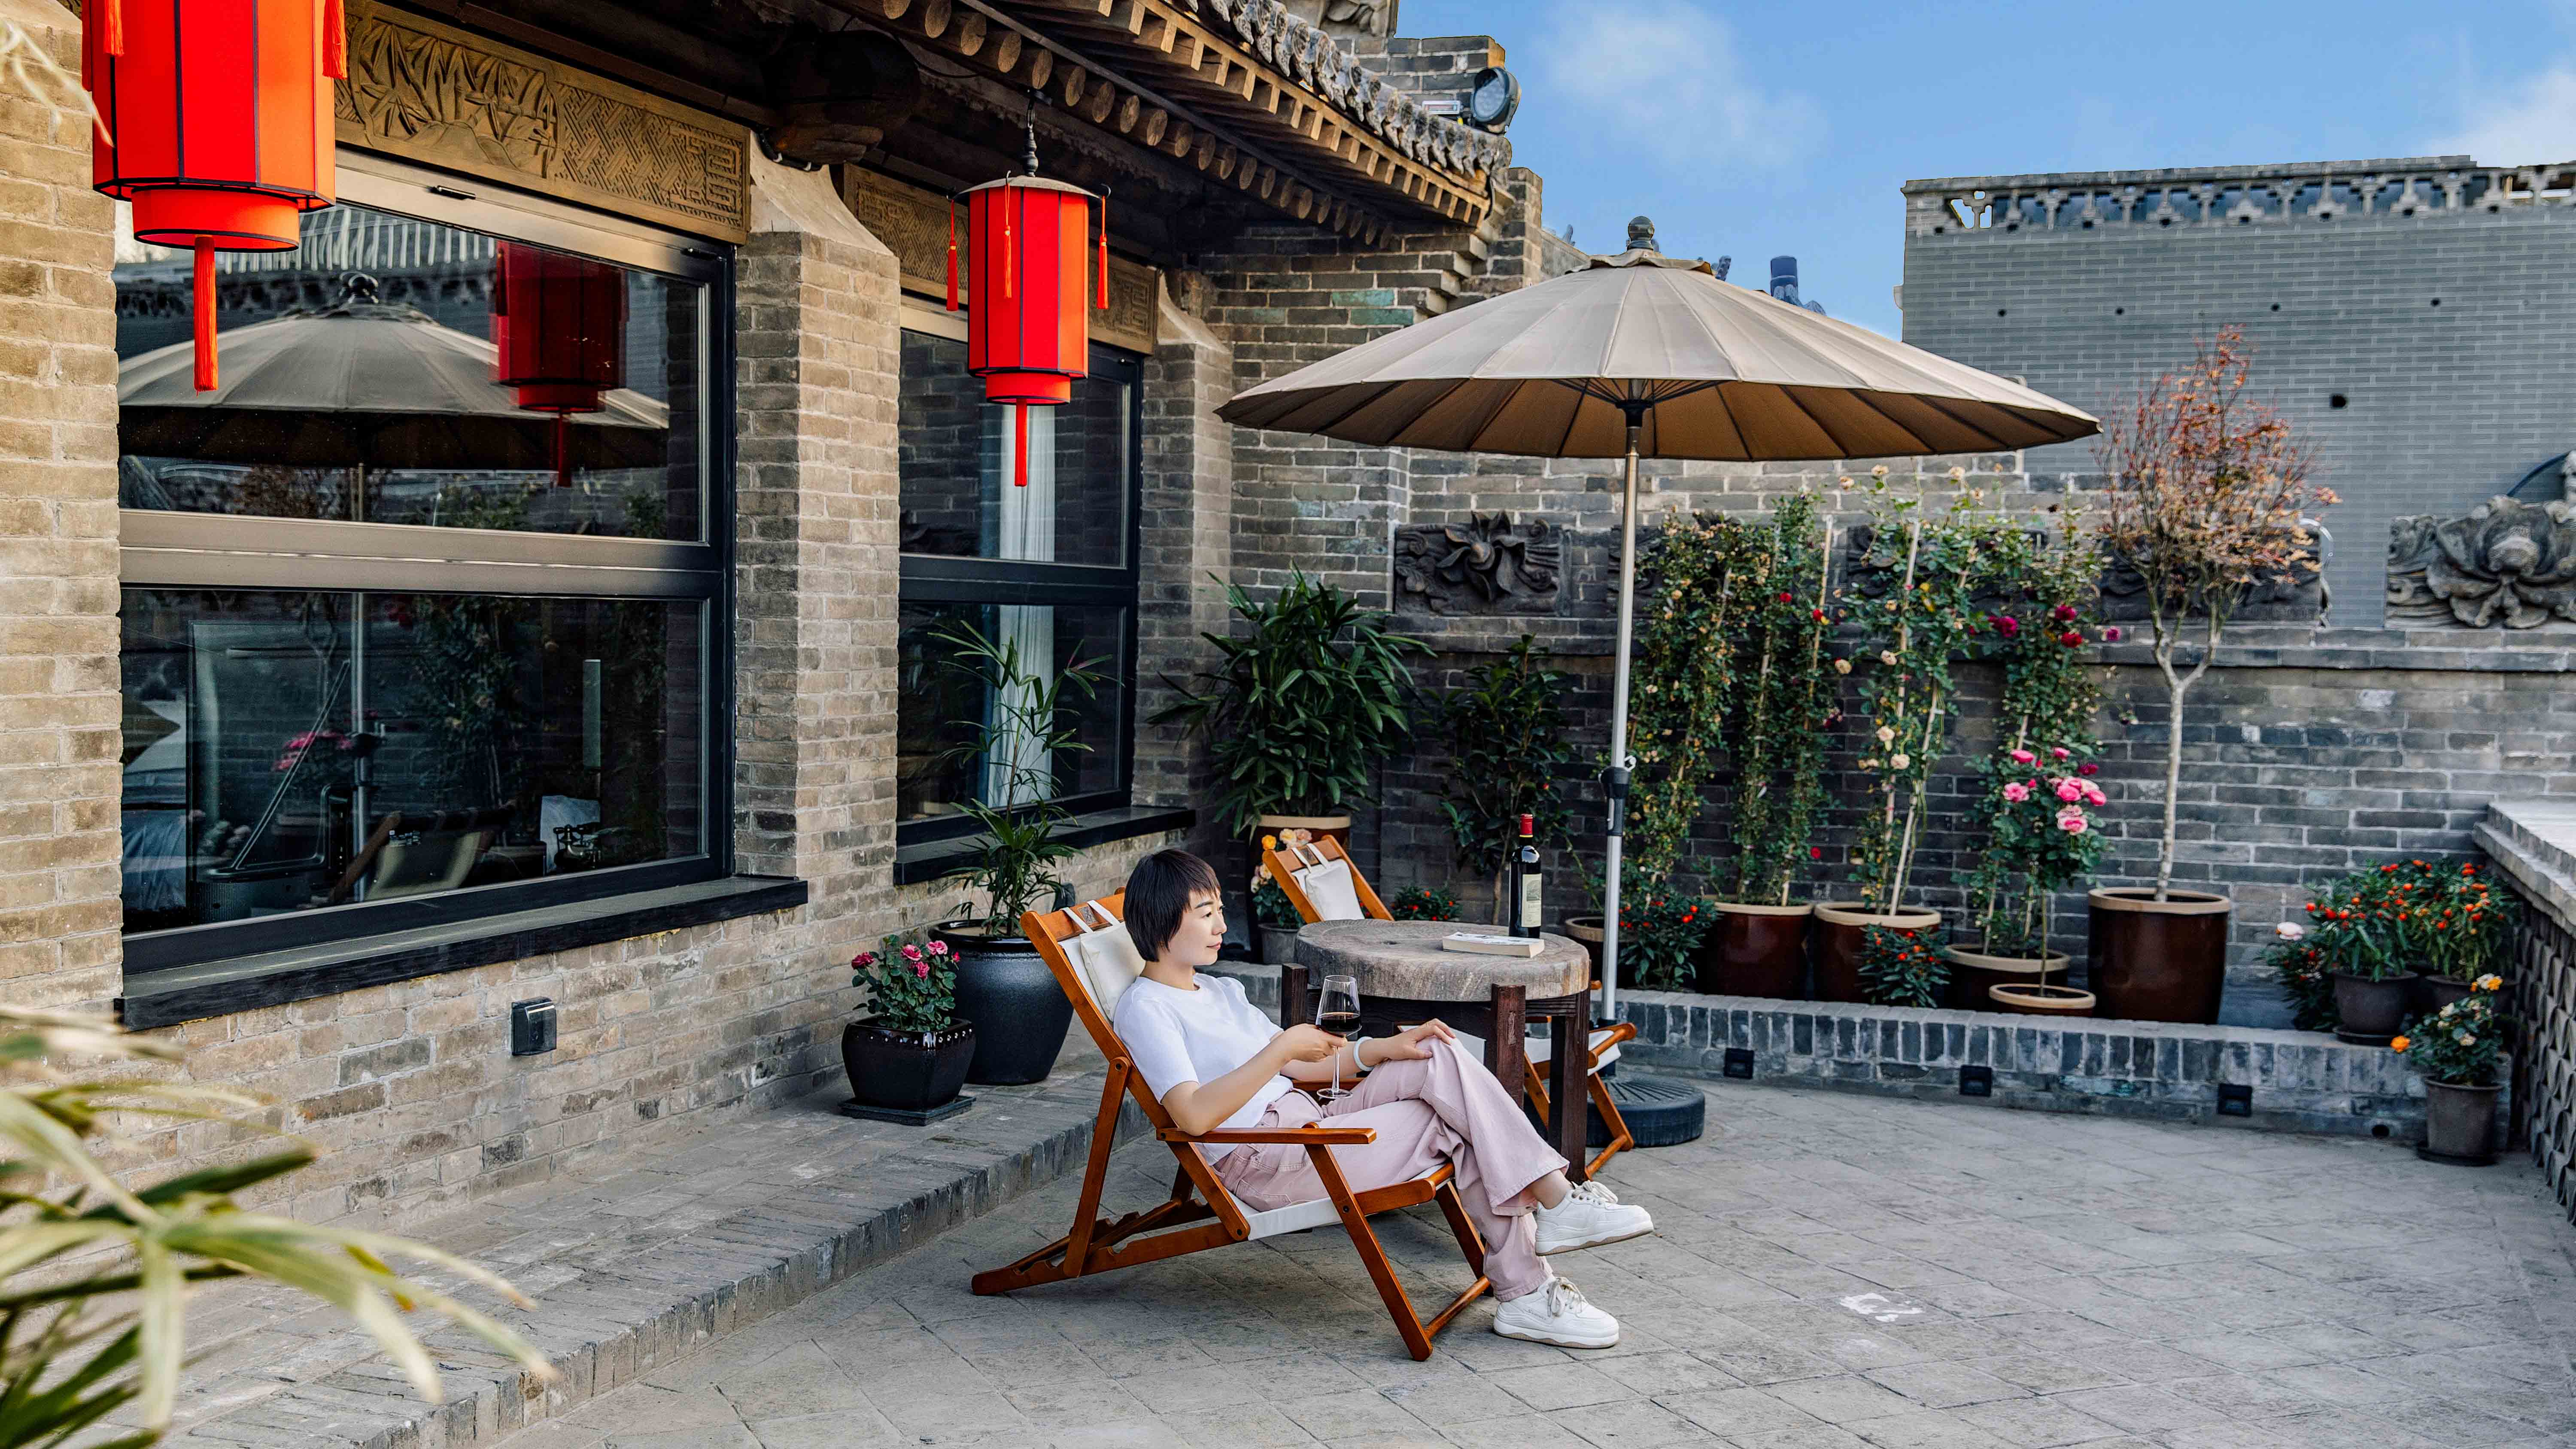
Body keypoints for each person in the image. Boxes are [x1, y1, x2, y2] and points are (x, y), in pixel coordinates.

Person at [1111, 848, 1653, 1349]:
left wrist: (1382, 1049)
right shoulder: (1147, 1008)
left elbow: (1303, 1065)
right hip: (1267, 1158)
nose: (1222, 925)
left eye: (1220, 910)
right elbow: (1191, 1115)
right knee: (1450, 1123)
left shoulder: (1220, 990)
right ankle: (1531, 1283)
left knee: (1433, 1052)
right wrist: (1278, 1052)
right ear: (1162, 919)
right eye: (1206, 913)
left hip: (1309, 1123)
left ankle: (1553, 1208)